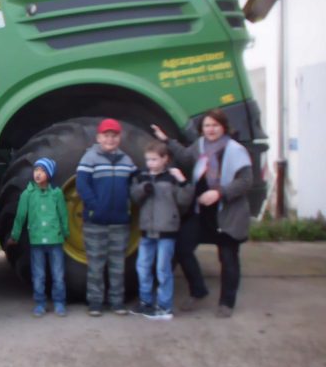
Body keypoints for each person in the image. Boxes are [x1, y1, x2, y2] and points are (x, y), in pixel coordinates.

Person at [151, 110, 253, 317]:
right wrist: (166, 140)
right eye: (207, 125)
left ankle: (227, 303)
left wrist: (219, 193)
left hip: (227, 214)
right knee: (182, 247)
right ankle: (198, 290)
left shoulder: (236, 150)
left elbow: (245, 181)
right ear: (201, 129)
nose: (211, 129)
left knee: (228, 258)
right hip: (202, 212)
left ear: (223, 127)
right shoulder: (200, 146)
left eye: (215, 125)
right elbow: (184, 156)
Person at [76, 118, 137, 316]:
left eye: (114, 135)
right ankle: (95, 303)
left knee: (118, 266)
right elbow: (82, 185)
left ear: (119, 138)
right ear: (99, 137)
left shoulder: (127, 161)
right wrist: (95, 207)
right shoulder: (89, 158)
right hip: (95, 222)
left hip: (120, 222)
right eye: (106, 135)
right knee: (96, 265)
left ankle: (117, 302)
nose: (110, 139)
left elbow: (134, 184)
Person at [128, 141, 193, 321]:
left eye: (154, 159)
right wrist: (143, 189)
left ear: (165, 159)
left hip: (166, 231)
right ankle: (146, 301)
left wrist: (184, 182)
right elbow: (134, 197)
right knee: (143, 267)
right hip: (146, 230)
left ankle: (165, 306)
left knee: (163, 269)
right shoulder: (142, 177)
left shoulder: (172, 178)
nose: (150, 164)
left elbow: (184, 201)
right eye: (148, 160)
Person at [7, 157, 69, 317]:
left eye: (42, 170)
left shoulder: (56, 194)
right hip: (36, 241)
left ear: (49, 174)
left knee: (58, 274)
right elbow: (20, 217)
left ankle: (59, 302)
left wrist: (66, 232)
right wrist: (14, 236)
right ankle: (40, 303)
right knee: (38, 275)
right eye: (36, 170)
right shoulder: (28, 194)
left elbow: (63, 215)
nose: (38, 174)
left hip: (55, 240)